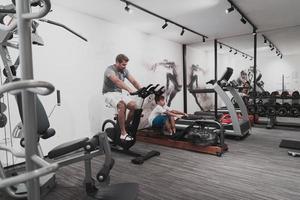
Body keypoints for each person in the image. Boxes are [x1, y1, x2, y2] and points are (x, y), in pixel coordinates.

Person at [102, 54, 142, 141]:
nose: (125, 66)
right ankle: (123, 134)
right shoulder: (109, 70)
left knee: (135, 106)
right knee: (121, 105)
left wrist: (142, 89)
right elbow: (117, 81)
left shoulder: (125, 71)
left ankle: (125, 126)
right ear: (117, 62)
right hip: (109, 93)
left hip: (119, 93)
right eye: (123, 64)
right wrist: (129, 89)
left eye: (126, 65)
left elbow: (133, 81)